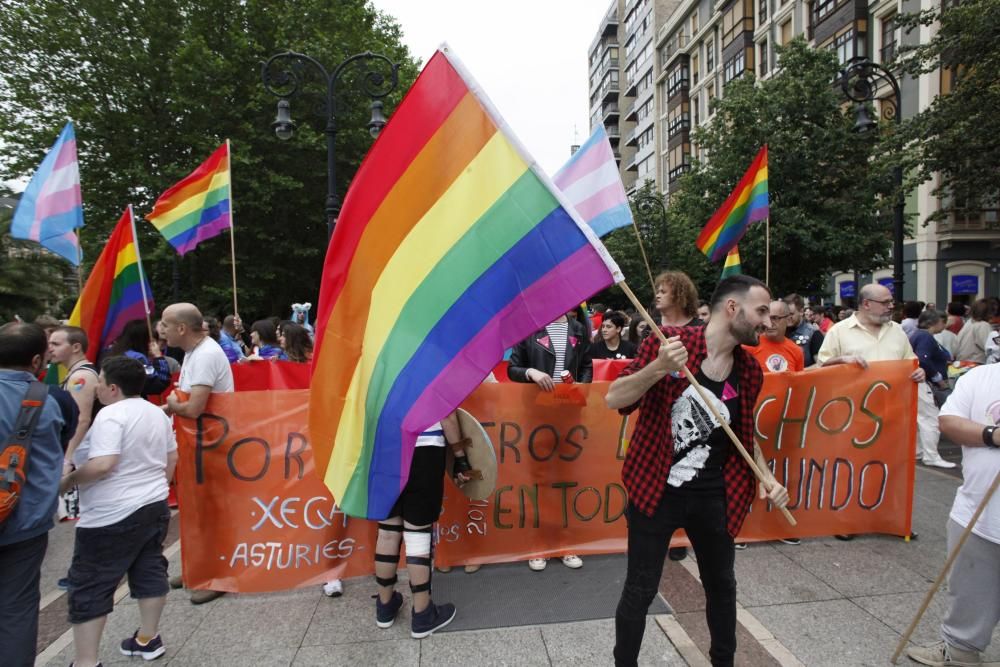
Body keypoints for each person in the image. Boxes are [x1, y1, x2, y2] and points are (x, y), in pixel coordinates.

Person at [606, 275, 789, 666]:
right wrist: (657, 366)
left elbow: (743, 435)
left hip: (715, 497)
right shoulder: (668, 344)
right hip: (655, 490)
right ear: (733, 309)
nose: (768, 322)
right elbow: (614, 398)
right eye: (761, 312)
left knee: (722, 586)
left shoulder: (750, 371)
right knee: (640, 588)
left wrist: (767, 477)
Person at [61, 356, 177, 666]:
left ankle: (86, 661)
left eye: (99, 381)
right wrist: (155, 488)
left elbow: (103, 463)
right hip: (154, 503)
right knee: (150, 568)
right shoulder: (156, 413)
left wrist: (69, 479)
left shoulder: (111, 416)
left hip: (111, 512)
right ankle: (148, 637)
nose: (96, 387)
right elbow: (171, 459)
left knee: (90, 583)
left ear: (112, 387)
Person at [905, 362, 1000, 666]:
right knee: (968, 590)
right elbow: (948, 422)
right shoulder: (981, 376)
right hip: (978, 511)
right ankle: (960, 649)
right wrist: (993, 435)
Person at [817, 283, 929, 539]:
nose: (891, 306)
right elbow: (821, 364)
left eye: (891, 302)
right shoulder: (839, 332)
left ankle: (893, 519)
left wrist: (918, 371)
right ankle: (846, 521)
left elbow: (909, 362)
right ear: (866, 304)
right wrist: (841, 360)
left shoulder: (897, 331)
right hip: (852, 414)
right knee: (850, 467)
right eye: (886, 302)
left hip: (892, 412)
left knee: (893, 466)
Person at [0, 323, 77, 667]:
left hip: (26, 523)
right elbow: (63, 444)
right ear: (36, 361)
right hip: (24, 521)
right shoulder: (52, 401)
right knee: (17, 609)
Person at [161, 303, 234, 604]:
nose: (160, 329)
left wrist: (172, 404)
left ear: (181, 328)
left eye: (165, 324)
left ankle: (220, 576)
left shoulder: (205, 355)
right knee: (196, 511)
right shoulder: (194, 352)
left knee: (214, 514)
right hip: (198, 445)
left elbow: (193, 408)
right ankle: (196, 569)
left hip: (213, 445)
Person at [508, 311, 592, 570]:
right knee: (541, 480)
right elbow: (513, 368)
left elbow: (587, 365)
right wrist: (531, 372)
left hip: (569, 416)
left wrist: (581, 385)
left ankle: (565, 543)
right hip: (538, 417)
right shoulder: (529, 327)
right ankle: (540, 544)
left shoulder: (579, 329)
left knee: (566, 479)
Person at [373, 411, 468, 638]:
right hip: (424, 450)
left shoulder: (372, 373)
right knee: (418, 532)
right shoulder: (429, 373)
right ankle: (423, 613)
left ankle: (384, 606)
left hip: (384, 447)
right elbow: (446, 415)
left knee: (387, 530)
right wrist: (460, 457)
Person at [48, 325, 101, 520]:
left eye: (56, 344)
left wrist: (67, 459)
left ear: (76, 347)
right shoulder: (75, 374)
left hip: (81, 453)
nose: (50, 348)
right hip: (79, 452)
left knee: (85, 514)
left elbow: (81, 419)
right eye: (49, 344)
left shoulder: (81, 376)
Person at [908, 311, 957, 468]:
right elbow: (923, 359)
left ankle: (920, 451)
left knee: (920, 418)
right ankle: (931, 455)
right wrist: (936, 377)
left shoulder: (918, 335)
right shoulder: (925, 337)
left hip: (919, 381)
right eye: (942, 322)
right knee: (930, 418)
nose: (944, 325)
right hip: (925, 382)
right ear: (933, 323)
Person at [108, 319, 172, 398]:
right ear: (143, 339)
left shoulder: (111, 353)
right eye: (150, 340)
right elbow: (158, 383)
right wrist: (159, 357)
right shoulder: (138, 359)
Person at [743, 300, 804, 374]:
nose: (769, 323)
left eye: (775, 318)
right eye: (767, 318)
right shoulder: (748, 346)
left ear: (788, 320)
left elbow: (798, 383)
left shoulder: (796, 351)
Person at [784, 294, 824, 368]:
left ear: (801, 311)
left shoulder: (813, 333)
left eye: (791, 314)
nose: (787, 317)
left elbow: (820, 364)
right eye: (785, 314)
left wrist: (798, 373)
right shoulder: (781, 331)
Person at [955, 299, 992, 364]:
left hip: (963, 363)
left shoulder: (969, 323)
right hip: (976, 364)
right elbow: (991, 348)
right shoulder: (983, 325)